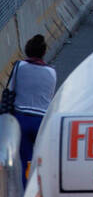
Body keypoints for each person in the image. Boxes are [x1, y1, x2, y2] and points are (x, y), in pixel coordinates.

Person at [8, 35, 57, 187]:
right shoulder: (51, 72)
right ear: (43, 52)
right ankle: (43, 189)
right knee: (42, 158)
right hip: (42, 120)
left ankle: (26, 192)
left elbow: (10, 90)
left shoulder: (19, 66)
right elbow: (50, 97)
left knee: (25, 160)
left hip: (21, 119)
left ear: (27, 50)